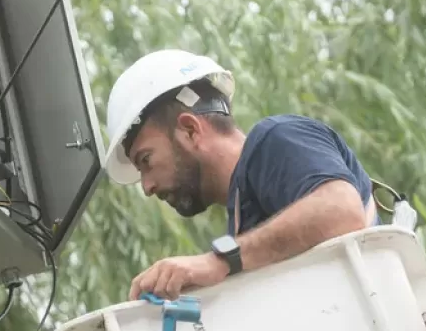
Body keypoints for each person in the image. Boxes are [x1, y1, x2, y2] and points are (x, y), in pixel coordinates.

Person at [102, 49, 379, 302]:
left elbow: (342, 210)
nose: (147, 187)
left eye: (146, 160)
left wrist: (219, 261)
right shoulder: (245, 225)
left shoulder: (275, 138)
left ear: (190, 130)